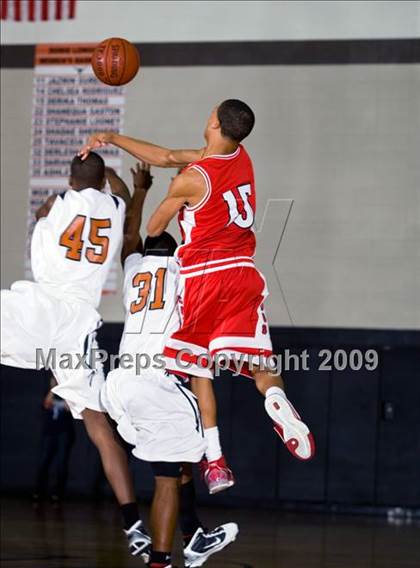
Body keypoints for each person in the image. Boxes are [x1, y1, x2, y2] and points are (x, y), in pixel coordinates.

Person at [80, 99, 315, 471]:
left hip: (206, 277)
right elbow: (168, 154)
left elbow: (154, 228)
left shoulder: (191, 178)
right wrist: (112, 137)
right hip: (244, 274)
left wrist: (175, 199)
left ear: (214, 122)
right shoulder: (240, 154)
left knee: (199, 367)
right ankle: (275, 396)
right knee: (260, 364)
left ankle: (216, 459)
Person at [0, 153, 150, 558]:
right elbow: (119, 191)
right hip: (76, 327)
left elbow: (42, 212)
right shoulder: (116, 206)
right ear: (103, 181)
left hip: (38, 308)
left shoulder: (59, 204)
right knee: (98, 427)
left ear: (70, 178)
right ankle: (132, 521)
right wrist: (118, 177)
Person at [101, 162, 238, 568]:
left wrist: (140, 190)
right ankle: (161, 559)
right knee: (167, 474)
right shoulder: (186, 273)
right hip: (156, 384)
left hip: (121, 383)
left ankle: (194, 532)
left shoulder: (135, 270)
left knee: (181, 457)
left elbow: (130, 235)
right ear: (179, 254)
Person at [33, 374, 75, 503]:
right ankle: (39, 492)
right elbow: (46, 404)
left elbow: (69, 408)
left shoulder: (68, 394)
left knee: (61, 464)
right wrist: (53, 388)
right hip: (49, 432)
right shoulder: (49, 392)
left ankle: (58, 494)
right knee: (44, 462)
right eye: (54, 379)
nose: (56, 380)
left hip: (64, 433)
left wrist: (63, 388)